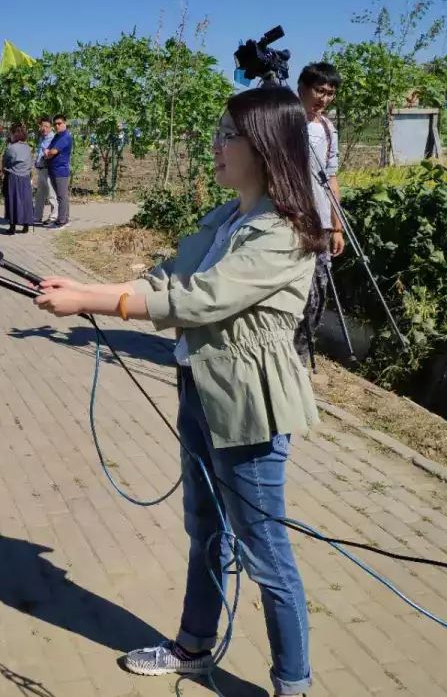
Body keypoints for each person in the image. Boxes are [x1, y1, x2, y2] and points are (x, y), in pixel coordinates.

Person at [34, 86, 321, 697]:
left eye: (228, 136)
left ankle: (292, 684)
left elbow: (198, 300)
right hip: (199, 387)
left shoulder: (284, 231)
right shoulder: (228, 219)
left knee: (265, 550)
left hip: (250, 407)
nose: (215, 146)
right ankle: (192, 648)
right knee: (205, 529)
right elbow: (167, 278)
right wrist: (84, 285)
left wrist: (89, 301)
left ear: (267, 145)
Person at [294, 62, 344, 368]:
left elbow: (332, 176)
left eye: (330, 93)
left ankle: (300, 356)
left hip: (321, 223)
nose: (324, 98)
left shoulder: (327, 128)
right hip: (291, 218)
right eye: (319, 90)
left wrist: (337, 226)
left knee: (316, 293)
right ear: (301, 87)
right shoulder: (286, 121)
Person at [1, 123, 34, 235]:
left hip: (13, 177)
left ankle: (12, 226)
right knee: (25, 201)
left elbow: (5, 162)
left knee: (13, 201)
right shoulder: (28, 147)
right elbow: (30, 163)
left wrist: (4, 169)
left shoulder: (11, 148)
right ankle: (26, 225)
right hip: (25, 177)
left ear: (14, 134)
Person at [44, 114, 73, 228]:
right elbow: (48, 150)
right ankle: (64, 218)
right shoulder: (57, 136)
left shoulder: (65, 137)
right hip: (54, 170)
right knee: (60, 196)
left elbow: (53, 151)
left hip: (61, 171)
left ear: (65, 123)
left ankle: (62, 220)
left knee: (62, 196)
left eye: (59, 123)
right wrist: (48, 153)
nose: (57, 126)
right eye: (55, 124)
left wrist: (48, 153)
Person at [33, 117, 57, 225]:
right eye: (42, 126)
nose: (44, 128)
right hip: (41, 169)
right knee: (40, 195)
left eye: (46, 126)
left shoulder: (53, 138)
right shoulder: (42, 138)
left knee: (51, 194)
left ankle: (53, 217)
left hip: (48, 169)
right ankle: (37, 216)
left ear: (51, 127)